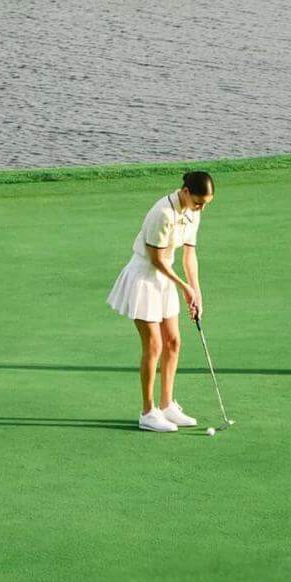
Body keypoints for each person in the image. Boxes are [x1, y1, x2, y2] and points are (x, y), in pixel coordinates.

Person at [107, 171, 214, 431]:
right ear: (186, 192)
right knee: (154, 345)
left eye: (205, 204)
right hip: (143, 277)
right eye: (198, 201)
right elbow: (156, 260)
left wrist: (195, 290)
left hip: (167, 279)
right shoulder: (162, 213)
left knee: (173, 341)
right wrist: (184, 287)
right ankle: (147, 412)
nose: (201, 208)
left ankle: (167, 405)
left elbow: (189, 256)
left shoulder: (193, 213)